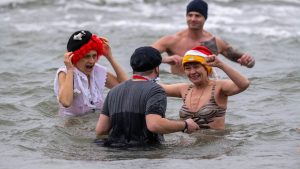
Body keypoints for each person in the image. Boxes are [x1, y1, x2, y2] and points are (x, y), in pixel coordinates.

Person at [95, 46, 199, 147]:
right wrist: (185, 124)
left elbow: (101, 130)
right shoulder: (155, 90)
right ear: (156, 69)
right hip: (144, 151)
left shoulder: (114, 91)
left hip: (114, 151)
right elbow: (154, 125)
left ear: (133, 67)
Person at [152, 0, 255, 75]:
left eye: (197, 15)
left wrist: (249, 61)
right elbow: (141, 58)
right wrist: (165, 59)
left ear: (205, 18)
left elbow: (247, 63)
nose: (193, 19)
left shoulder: (214, 42)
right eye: (190, 15)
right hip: (178, 86)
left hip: (206, 87)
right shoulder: (172, 40)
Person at [160, 46, 250, 130]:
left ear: (207, 68)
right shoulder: (184, 89)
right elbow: (154, 87)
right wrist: (162, 60)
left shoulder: (219, 87)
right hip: (188, 144)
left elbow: (244, 84)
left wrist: (221, 65)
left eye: (196, 67)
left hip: (214, 144)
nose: (192, 72)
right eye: (188, 68)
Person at [54, 30, 127, 116]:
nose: (92, 61)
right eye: (87, 56)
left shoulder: (97, 71)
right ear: (75, 57)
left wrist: (110, 57)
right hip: (72, 125)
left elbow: (126, 87)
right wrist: (70, 70)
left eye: (94, 56)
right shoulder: (65, 73)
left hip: (95, 122)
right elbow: (66, 102)